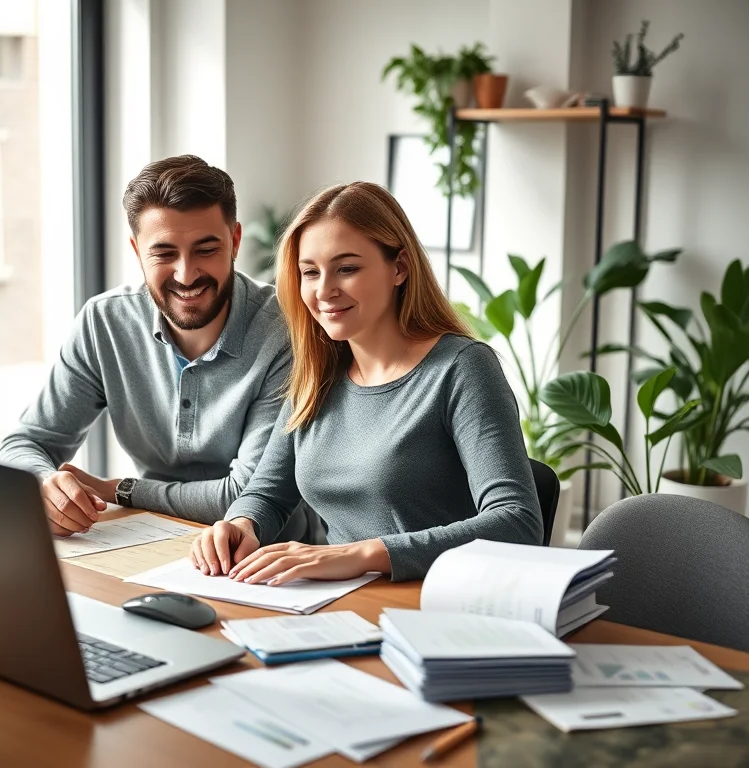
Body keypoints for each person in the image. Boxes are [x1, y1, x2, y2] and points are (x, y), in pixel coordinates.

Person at [189, 181, 542, 583]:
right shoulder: (317, 374)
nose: (324, 291)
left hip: (437, 601)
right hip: (339, 600)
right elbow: (267, 493)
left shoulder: (461, 367)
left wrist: (365, 554)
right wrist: (240, 524)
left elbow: (517, 525)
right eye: (310, 272)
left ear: (400, 268)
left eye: (347, 268)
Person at [0, 155, 312, 540]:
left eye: (206, 249)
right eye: (164, 253)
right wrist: (46, 483)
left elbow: (246, 495)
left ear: (234, 242)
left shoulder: (288, 330)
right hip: (145, 540)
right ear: (136, 250)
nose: (186, 273)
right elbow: (26, 442)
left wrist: (119, 491)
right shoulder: (105, 322)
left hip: (268, 556)